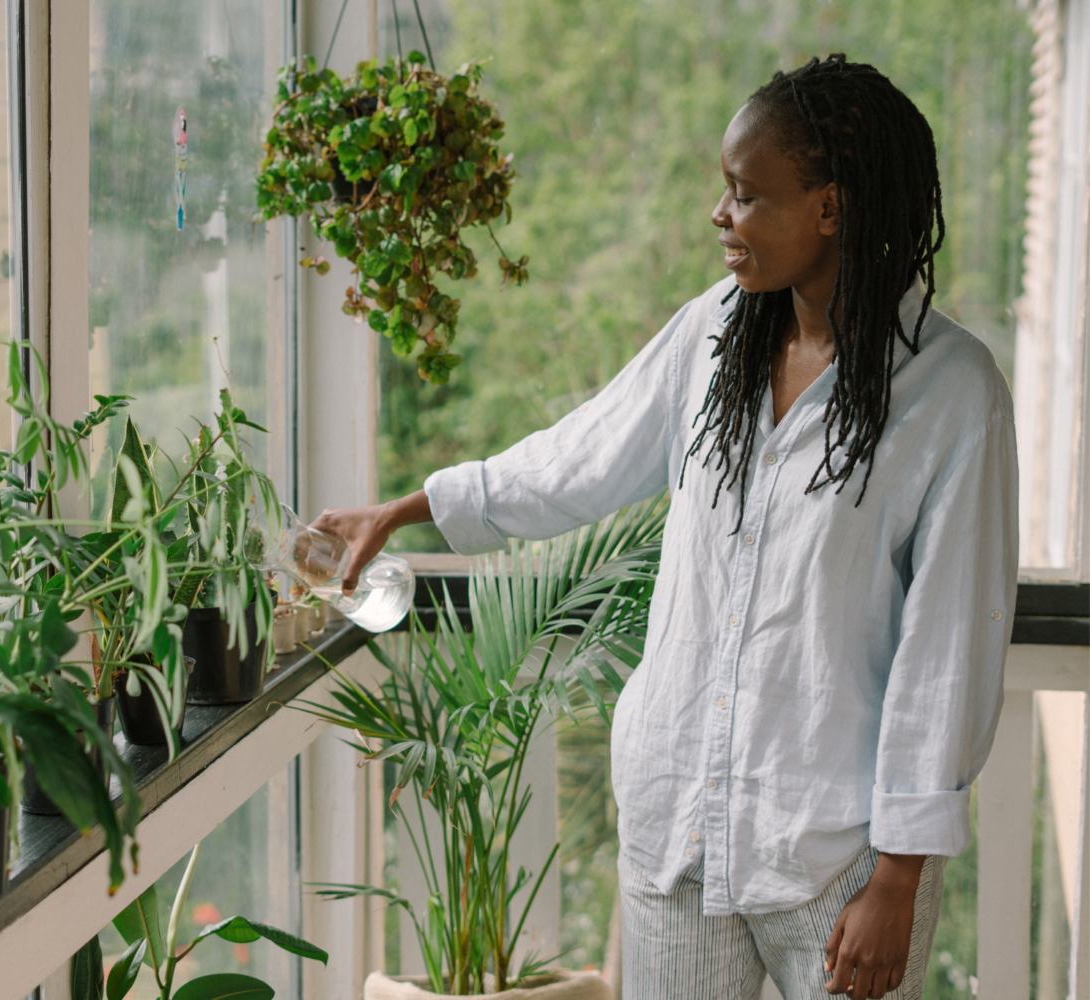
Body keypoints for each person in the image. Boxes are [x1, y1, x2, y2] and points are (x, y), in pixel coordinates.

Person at [313, 55, 1017, 1000]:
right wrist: (408, 508)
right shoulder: (714, 334)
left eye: (744, 194)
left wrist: (900, 876)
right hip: (676, 830)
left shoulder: (953, 394)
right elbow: (578, 458)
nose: (718, 216)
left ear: (831, 209)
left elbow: (949, 653)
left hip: (843, 863)